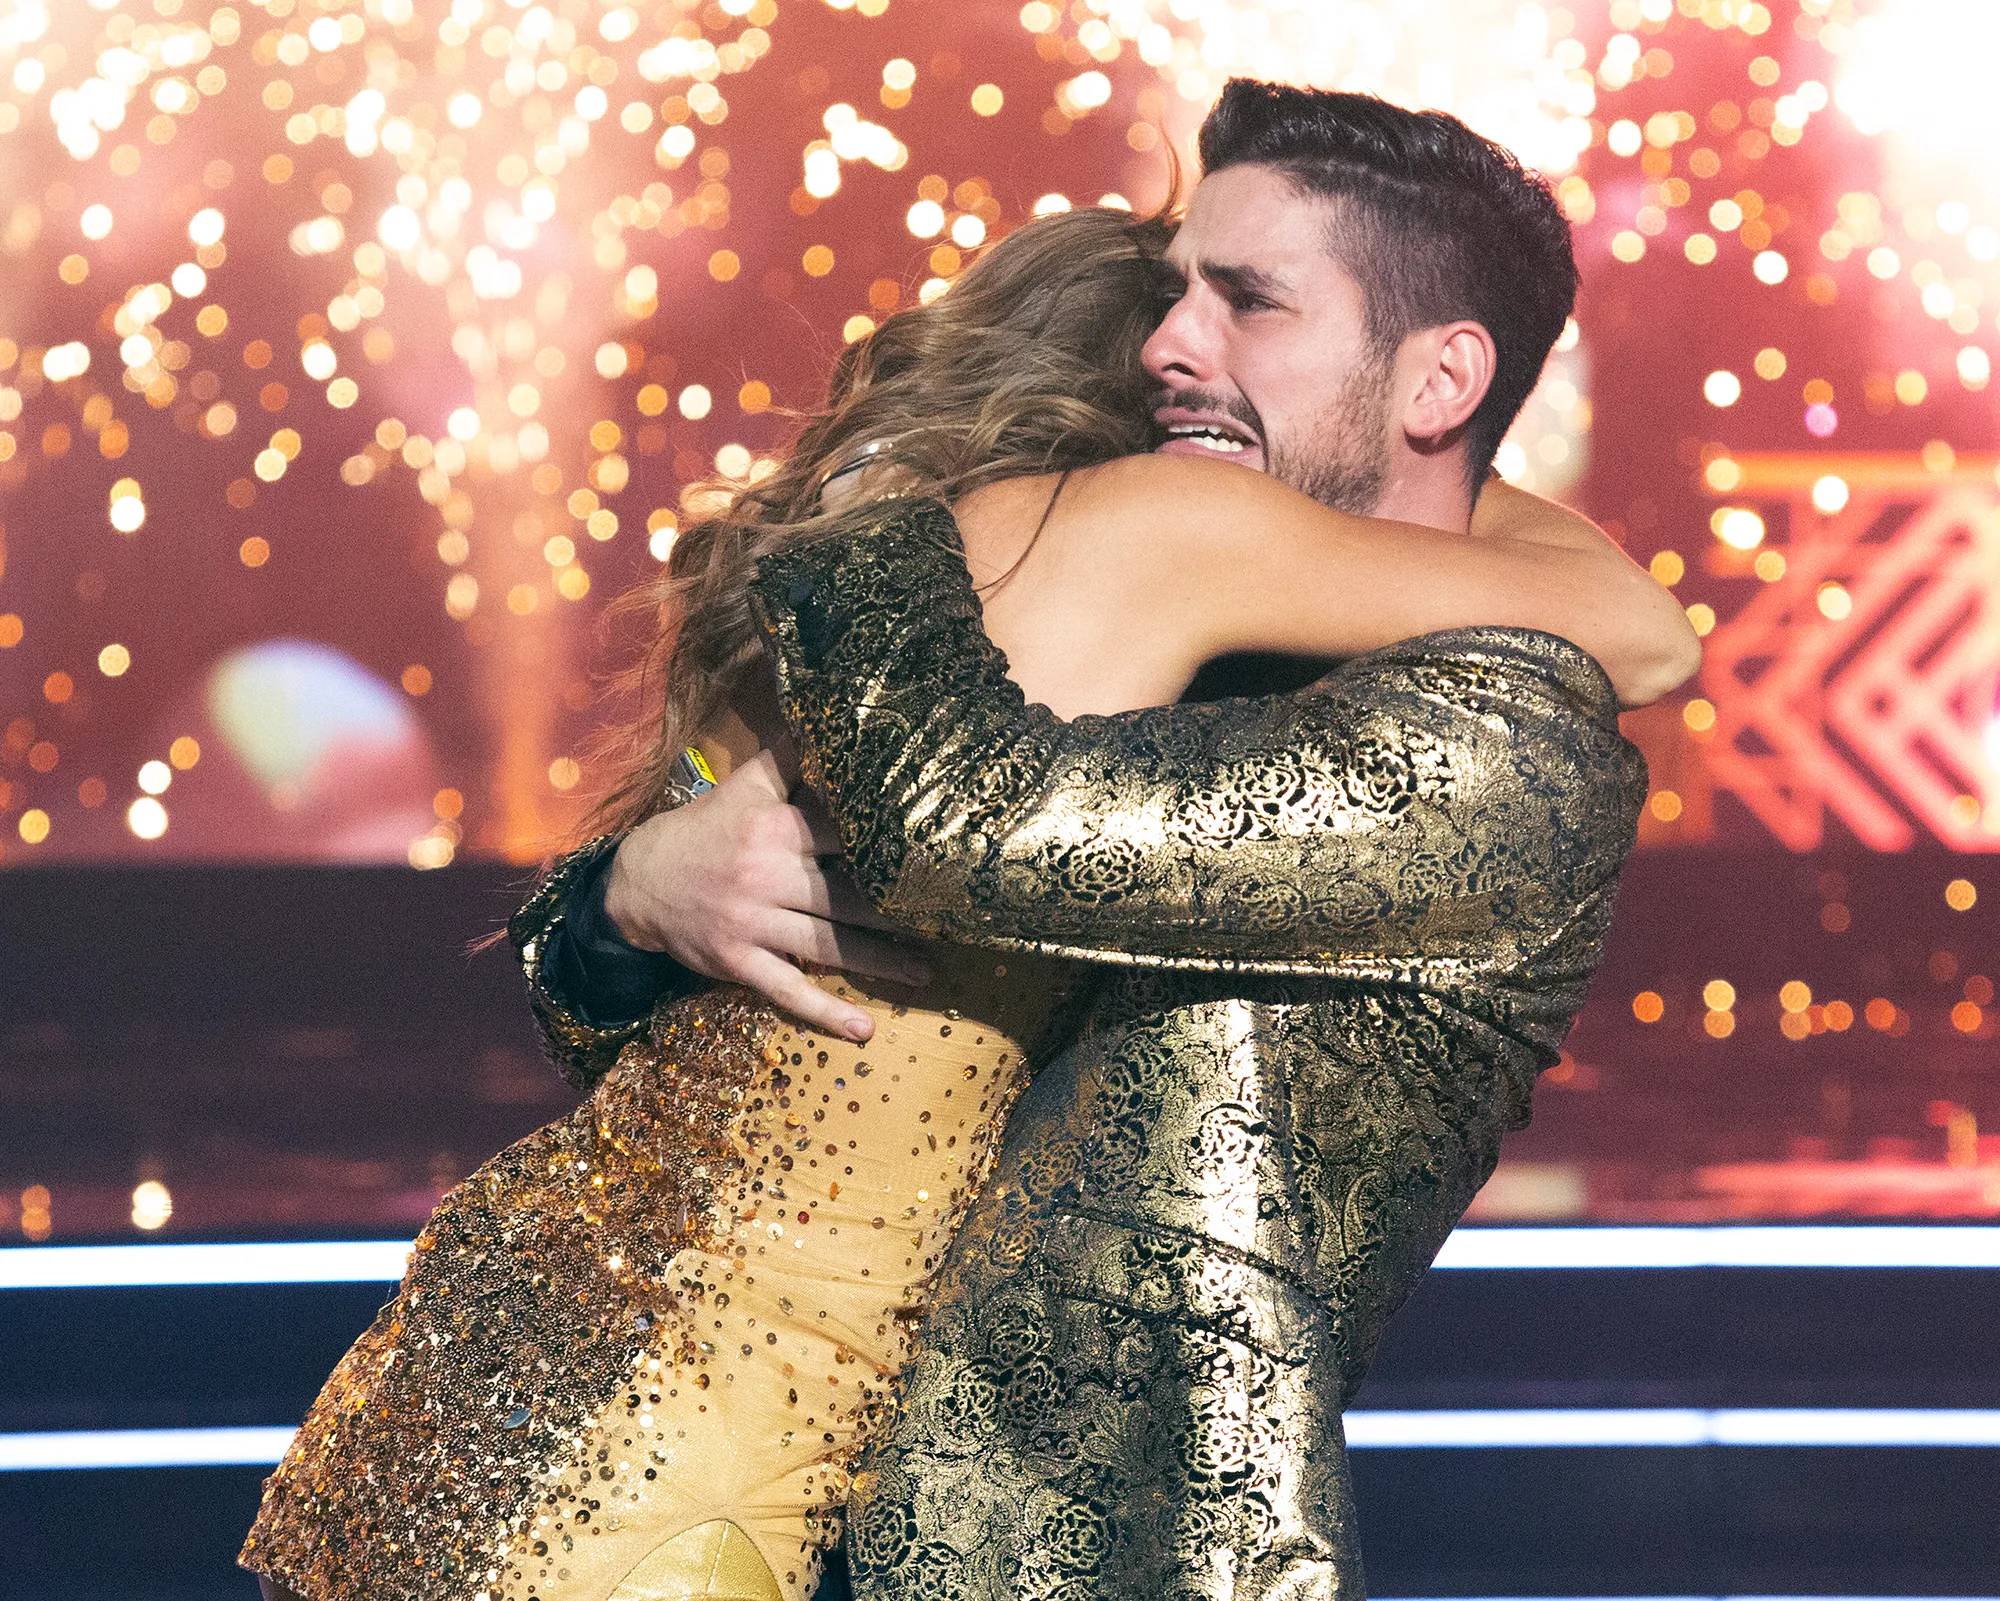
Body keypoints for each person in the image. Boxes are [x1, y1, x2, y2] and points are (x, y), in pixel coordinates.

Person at [240, 92, 1692, 1601]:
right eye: (1168, 295)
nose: (1170, 347)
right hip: (653, 1474)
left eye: (1246, 302)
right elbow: (1634, 617)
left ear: (1445, 376)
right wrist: (627, 892)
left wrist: (849, 518)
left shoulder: (1454, 712)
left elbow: (954, 828)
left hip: (573, 1431)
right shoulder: (1152, 576)